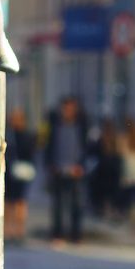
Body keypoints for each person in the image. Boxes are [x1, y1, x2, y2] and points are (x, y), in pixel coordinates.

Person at [44, 96, 87, 243]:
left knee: (77, 204)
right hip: (58, 169)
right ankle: (58, 234)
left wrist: (82, 167)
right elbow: (48, 146)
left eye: (71, 108)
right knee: (58, 204)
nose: (68, 111)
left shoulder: (82, 126)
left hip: (76, 171)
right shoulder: (54, 125)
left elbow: (87, 148)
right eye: (65, 108)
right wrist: (51, 165)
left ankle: (76, 235)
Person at [4, 107, 37, 242]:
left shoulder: (23, 136)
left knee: (18, 202)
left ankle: (18, 230)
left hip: (19, 172)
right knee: (10, 202)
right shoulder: (11, 135)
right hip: (13, 172)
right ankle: (10, 230)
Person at [88, 119, 123, 219]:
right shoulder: (115, 140)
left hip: (103, 170)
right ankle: (112, 209)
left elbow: (93, 151)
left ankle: (103, 209)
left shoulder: (101, 139)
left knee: (102, 192)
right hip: (113, 170)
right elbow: (119, 154)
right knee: (113, 192)